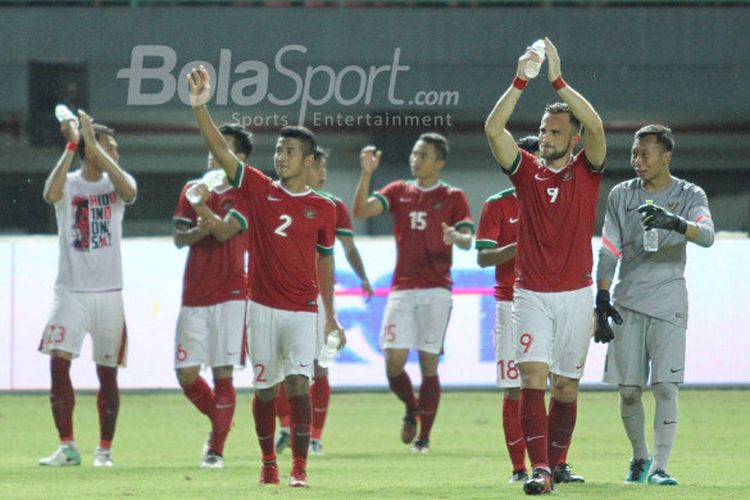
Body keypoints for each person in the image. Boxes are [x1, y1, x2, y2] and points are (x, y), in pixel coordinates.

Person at [187, 65, 343, 487]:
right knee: (265, 391)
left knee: (299, 383)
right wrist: (201, 107)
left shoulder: (325, 208)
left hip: (302, 310)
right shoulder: (258, 188)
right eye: (279, 150)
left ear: (309, 161)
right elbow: (221, 151)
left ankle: (298, 469)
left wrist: (329, 315)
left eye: (290, 150)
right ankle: (268, 462)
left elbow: (325, 261)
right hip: (260, 308)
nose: (281, 156)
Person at [484, 37, 606, 494]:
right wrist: (521, 79)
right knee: (533, 378)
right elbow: (494, 130)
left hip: (575, 293)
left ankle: (553, 465)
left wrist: (557, 78)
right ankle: (539, 470)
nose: (547, 136)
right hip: (530, 292)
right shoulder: (525, 171)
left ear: (572, 139)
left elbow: (595, 125)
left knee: (566, 390)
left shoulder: (587, 169)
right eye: (544, 129)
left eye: (556, 132)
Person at [595, 125, 714, 486]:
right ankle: (640, 458)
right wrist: (601, 297)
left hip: (668, 302)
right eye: (634, 153)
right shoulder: (621, 194)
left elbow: (707, 235)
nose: (638, 160)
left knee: (665, 387)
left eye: (645, 153)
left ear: (666, 157)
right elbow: (610, 246)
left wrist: (676, 223)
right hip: (626, 301)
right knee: (629, 392)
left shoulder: (689, 193)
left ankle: (661, 467)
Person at [353, 133, 473, 453]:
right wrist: (366, 173)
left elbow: (467, 239)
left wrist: (454, 236)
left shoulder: (453, 196)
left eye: (423, 155)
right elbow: (361, 211)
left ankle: (424, 438)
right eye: (415, 153)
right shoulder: (398, 190)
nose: (415, 159)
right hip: (402, 288)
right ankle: (412, 407)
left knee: (428, 363)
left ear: (439, 163)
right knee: (393, 363)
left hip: (437, 289)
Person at [38, 110, 137, 467]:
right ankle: (67, 447)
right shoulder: (71, 183)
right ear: (89, 150)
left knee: (106, 372)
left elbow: (130, 190)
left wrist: (96, 144)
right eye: (109, 147)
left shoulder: (117, 185)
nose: (115, 155)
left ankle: (104, 449)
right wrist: (72, 144)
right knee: (58, 364)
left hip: (109, 293)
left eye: (115, 149)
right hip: (70, 292)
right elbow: (50, 194)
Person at [275, 147, 374, 456]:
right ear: (308, 167)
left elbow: (348, 247)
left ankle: (314, 435)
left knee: (321, 366)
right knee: (280, 368)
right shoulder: (275, 200)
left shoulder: (333, 206)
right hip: (280, 293)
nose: (324, 174)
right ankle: (286, 429)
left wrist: (362, 276)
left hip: (319, 297)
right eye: (321, 168)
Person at [172, 124, 254, 468]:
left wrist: (202, 211)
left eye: (223, 147)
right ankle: (222, 419)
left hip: (232, 292)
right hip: (195, 292)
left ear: (240, 157)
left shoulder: (246, 191)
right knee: (186, 373)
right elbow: (179, 238)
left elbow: (224, 233)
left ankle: (216, 449)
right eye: (212, 146)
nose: (213, 153)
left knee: (223, 373)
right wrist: (196, 229)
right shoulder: (193, 188)